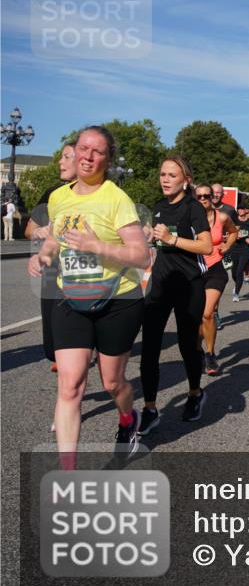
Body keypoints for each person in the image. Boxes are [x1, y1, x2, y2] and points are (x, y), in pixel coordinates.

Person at [28, 126, 150, 466]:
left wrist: (97, 246)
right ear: (74, 150)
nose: (88, 156)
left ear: (107, 159)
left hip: (118, 300)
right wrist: (44, 255)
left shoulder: (116, 198)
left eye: (97, 151)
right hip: (72, 299)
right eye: (83, 148)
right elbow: (55, 238)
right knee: (70, 386)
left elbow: (141, 256)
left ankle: (128, 419)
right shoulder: (59, 197)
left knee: (113, 383)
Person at [138, 157, 213, 433]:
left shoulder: (193, 208)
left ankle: (195, 393)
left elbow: (206, 247)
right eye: (162, 174)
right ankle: (149, 408)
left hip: (188, 285)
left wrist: (172, 239)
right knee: (149, 347)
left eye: (172, 175)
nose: (165, 179)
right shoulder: (158, 207)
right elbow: (159, 243)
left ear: (186, 180)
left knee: (186, 345)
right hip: (160, 283)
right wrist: (149, 238)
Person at [26, 142, 77, 373]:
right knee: (52, 342)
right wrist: (38, 231)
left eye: (66, 157)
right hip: (52, 270)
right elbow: (29, 229)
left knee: (77, 336)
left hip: (83, 273)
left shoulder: (101, 194)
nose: (60, 162)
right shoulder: (52, 194)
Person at [194, 184, 237, 376]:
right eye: (199, 196)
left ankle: (210, 354)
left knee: (207, 313)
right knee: (194, 318)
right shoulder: (189, 217)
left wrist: (227, 245)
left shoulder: (222, 217)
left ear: (213, 197)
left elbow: (234, 231)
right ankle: (198, 352)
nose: (203, 199)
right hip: (193, 271)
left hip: (215, 270)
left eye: (206, 196)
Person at [228, 206, 249, 302]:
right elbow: (227, 232)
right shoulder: (234, 221)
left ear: (246, 210)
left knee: (240, 271)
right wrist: (233, 236)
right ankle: (237, 284)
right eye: (238, 209)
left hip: (245, 250)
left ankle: (236, 293)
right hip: (234, 249)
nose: (240, 210)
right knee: (234, 273)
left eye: (242, 209)